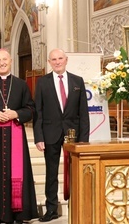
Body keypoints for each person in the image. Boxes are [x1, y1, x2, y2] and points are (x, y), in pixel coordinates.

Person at [0, 48, 39, 223]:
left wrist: (16, 114)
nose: (1, 63)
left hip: (15, 135)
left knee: (17, 173)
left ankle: (20, 214)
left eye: (4, 59)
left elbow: (31, 109)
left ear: (11, 61)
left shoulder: (21, 84)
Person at [33, 48, 89, 222]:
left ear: (66, 60)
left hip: (74, 134)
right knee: (51, 173)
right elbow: (38, 112)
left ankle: (77, 204)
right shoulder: (42, 83)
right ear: (49, 62)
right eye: (53, 59)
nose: (57, 62)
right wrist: (39, 137)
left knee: (75, 172)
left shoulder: (77, 81)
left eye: (60, 58)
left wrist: (84, 140)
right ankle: (51, 209)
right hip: (50, 134)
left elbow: (83, 113)